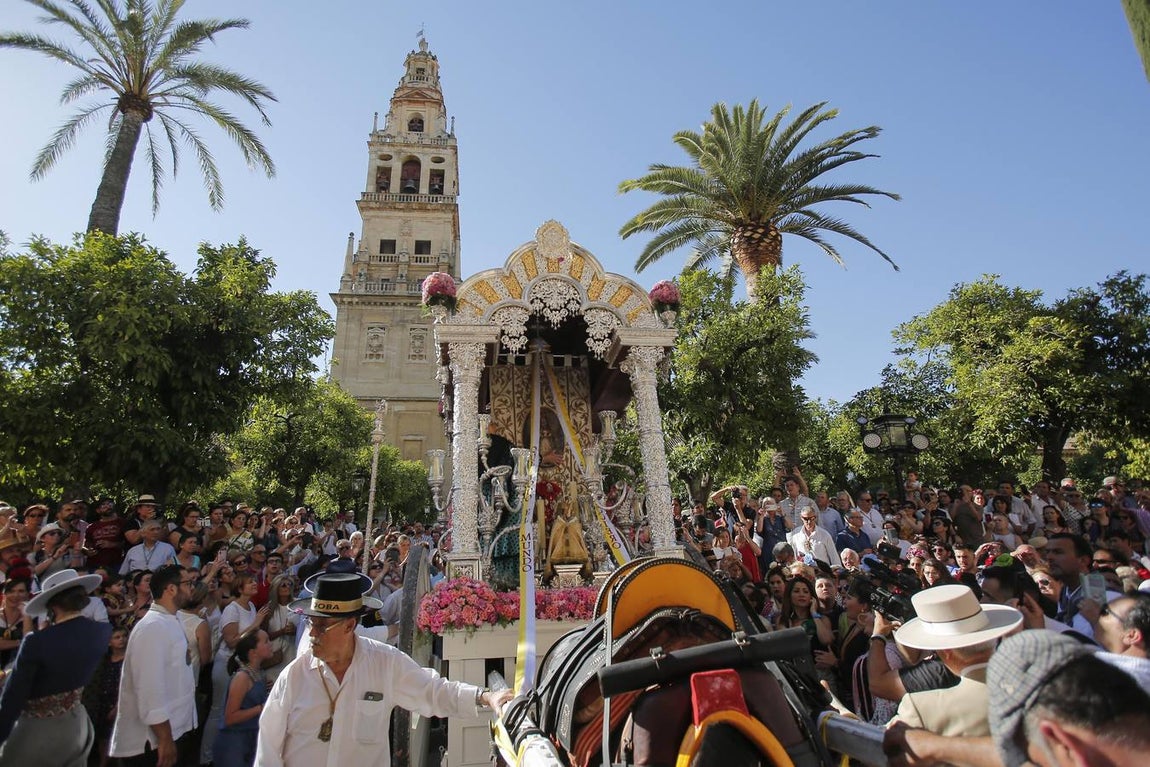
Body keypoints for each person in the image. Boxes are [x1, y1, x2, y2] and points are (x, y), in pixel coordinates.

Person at [256, 572, 514, 766]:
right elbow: (268, 748)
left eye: (322, 626)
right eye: (310, 623)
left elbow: (433, 691)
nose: (312, 633)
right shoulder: (294, 675)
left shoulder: (384, 663)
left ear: (349, 626)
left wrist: (486, 696)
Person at [0, 569, 112, 766]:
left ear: (52, 606)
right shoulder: (102, 631)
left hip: (38, 729)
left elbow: (13, 697)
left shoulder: (37, 642)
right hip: (77, 722)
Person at [886, 584, 1022, 737]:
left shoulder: (921, 708)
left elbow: (876, 740)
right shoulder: (1031, 685)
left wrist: (877, 637)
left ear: (946, 652)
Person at [110, 565, 199, 767]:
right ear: (171, 589)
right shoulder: (152, 627)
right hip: (151, 743)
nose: (192, 588)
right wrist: (165, 739)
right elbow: (149, 689)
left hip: (176, 731)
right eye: (188, 583)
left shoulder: (171, 619)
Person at [213, 630, 272, 767]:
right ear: (253, 652)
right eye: (266, 641)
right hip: (234, 747)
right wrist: (261, 708)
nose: (270, 644)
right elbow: (230, 717)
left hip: (250, 742)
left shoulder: (259, 674)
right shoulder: (242, 678)